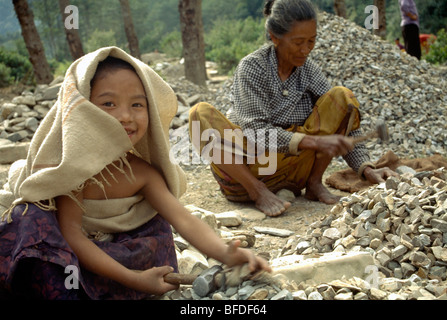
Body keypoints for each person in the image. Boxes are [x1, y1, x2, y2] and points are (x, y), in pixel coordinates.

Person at [0, 47, 270, 300]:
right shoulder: (72, 170)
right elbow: (73, 237)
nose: (125, 116)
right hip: (71, 254)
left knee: (155, 229)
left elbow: (183, 220)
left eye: (137, 105)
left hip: (109, 253)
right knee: (32, 223)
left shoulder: (141, 173)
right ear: (82, 112)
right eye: (108, 104)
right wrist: (133, 279)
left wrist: (226, 253)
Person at [189, 0, 396, 217]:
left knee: (342, 97)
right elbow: (255, 131)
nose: (306, 50)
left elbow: (344, 118)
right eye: (298, 42)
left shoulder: (308, 71)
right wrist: (314, 141)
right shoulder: (253, 68)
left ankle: (314, 184)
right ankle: (257, 191)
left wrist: (366, 168)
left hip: (294, 175)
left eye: (311, 41)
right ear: (274, 37)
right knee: (199, 114)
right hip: (249, 170)